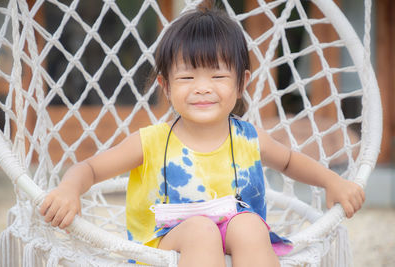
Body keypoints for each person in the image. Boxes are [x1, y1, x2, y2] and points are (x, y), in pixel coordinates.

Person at [39, 7, 365, 267]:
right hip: (164, 240)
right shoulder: (151, 141)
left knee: (250, 224)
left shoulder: (249, 138)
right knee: (201, 229)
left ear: (241, 83)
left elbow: (292, 162)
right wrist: (70, 188)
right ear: (166, 86)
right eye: (187, 76)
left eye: (218, 75)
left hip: (234, 233)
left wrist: (332, 182)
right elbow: (90, 169)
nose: (203, 87)